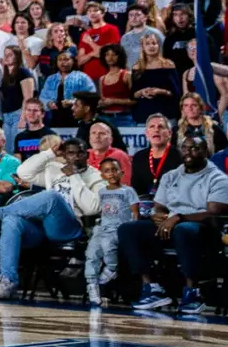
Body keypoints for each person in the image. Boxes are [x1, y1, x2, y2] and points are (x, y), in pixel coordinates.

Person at [121, 136, 228, 313]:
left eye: (195, 148)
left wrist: (178, 217)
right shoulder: (171, 175)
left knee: (183, 230)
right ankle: (152, 289)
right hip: (171, 224)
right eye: (185, 148)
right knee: (128, 230)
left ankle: (192, 292)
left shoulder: (218, 178)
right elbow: (159, 206)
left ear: (205, 152)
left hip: (204, 230)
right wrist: (158, 216)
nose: (188, 152)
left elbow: (212, 214)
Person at [0, 137, 103, 300]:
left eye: (80, 153)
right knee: (12, 221)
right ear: (64, 155)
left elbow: (92, 208)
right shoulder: (54, 169)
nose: (76, 157)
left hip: (68, 229)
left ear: (87, 155)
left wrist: (73, 176)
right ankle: (8, 280)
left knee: (51, 196)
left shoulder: (96, 177)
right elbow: (23, 172)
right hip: (42, 228)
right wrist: (49, 153)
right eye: (70, 153)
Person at [85, 156, 137, 307]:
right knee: (91, 252)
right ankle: (92, 284)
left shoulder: (128, 191)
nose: (111, 174)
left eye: (114, 170)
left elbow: (135, 212)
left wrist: (131, 228)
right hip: (103, 227)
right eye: (107, 171)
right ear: (102, 175)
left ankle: (111, 269)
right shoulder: (101, 192)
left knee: (109, 244)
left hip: (119, 228)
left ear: (121, 172)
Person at [132, 113, 184, 197]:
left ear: (170, 133)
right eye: (152, 126)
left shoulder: (180, 156)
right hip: (144, 205)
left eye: (161, 127)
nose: (156, 130)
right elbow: (136, 189)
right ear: (146, 133)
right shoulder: (139, 157)